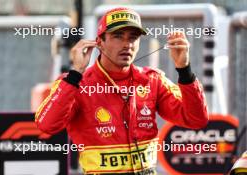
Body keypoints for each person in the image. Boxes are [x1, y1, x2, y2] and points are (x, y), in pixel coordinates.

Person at [35, 7, 208, 175]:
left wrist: (184, 70)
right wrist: (75, 74)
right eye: (118, 36)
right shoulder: (76, 83)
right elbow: (46, 125)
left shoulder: (152, 79)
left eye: (133, 37)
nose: (127, 44)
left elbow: (196, 120)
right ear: (100, 42)